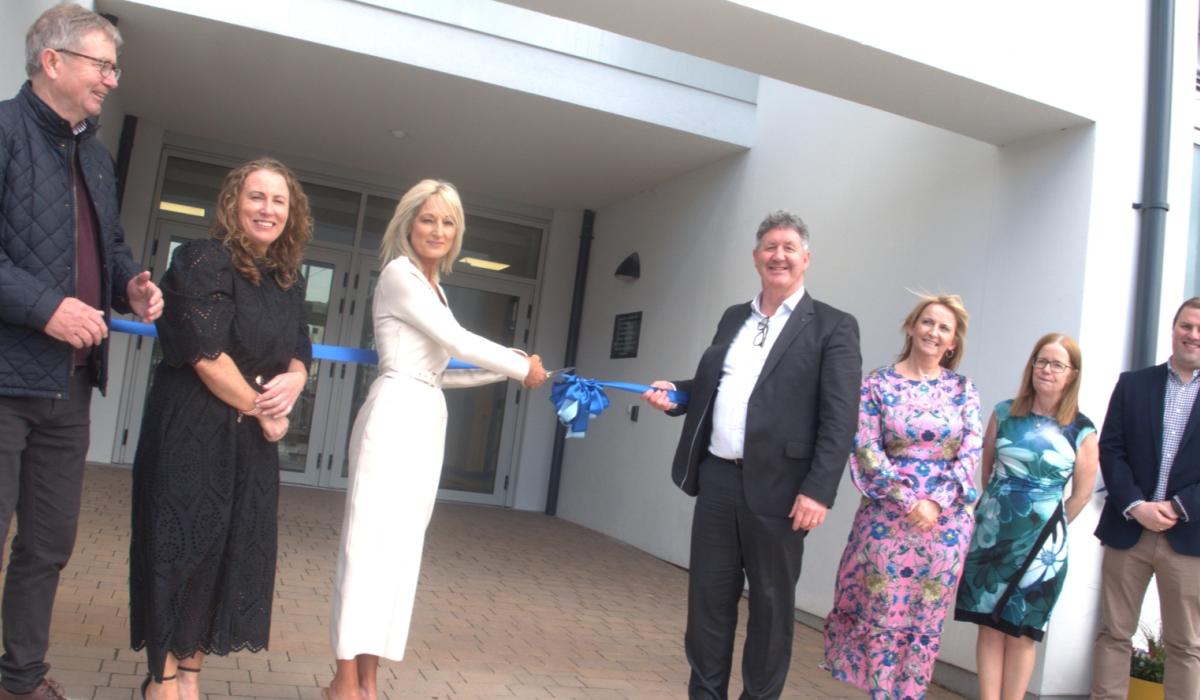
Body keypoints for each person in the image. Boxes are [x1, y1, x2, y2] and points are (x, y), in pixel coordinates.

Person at [326, 179, 547, 700]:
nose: (438, 230)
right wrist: (519, 367)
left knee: (401, 555)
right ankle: (343, 681)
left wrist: (508, 371)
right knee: (365, 549)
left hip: (425, 413)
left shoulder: (434, 287)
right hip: (392, 417)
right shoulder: (400, 274)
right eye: (428, 219)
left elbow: (440, 369)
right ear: (408, 222)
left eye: (448, 222)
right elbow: (457, 341)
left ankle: (370, 680)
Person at [0, 6, 163, 699]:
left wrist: (131, 286)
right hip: (5, 379)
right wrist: (47, 310)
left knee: (46, 547)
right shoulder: (2, 132)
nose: (111, 80)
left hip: (68, 388)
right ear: (53, 61)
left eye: (113, 68)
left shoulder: (94, 155)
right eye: (102, 65)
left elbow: (111, 247)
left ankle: (20, 676)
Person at [641, 210, 862, 700]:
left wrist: (818, 491)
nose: (778, 255)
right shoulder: (734, 317)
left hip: (784, 494)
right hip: (718, 482)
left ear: (806, 258)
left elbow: (840, 419)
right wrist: (675, 392)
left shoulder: (833, 327)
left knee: (770, 610)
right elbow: (716, 387)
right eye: (769, 247)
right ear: (756, 257)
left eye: (788, 247)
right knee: (707, 605)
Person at [129, 158, 312, 700]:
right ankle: (160, 679)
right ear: (234, 203)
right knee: (180, 550)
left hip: (248, 444)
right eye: (256, 197)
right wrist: (266, 409)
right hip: (193, 432)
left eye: (279, 201)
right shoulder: (201, 260)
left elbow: (300, 350)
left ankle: (191, 677)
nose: (268, 209)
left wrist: (297, 383)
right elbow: (208, 357)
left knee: (227, 553)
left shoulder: (286, 278)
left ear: (291, 213)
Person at [823, 293, 981, 699]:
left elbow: (971, 454)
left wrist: (936, 502)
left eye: (944, 328)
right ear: (911, 327)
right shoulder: (877, 383)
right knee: (882, 613)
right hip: (888, 519)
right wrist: (909, 500)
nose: (934, 332)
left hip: (944, 526)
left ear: (953, 343)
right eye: (927, 322)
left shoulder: (964, 390)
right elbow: (866, 448)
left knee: (924, 619)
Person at [953, 333, 1097, 700]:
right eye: (1041, 361)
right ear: (1031, 365)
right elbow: (986, 473)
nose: (1047, 370)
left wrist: (1050, 527)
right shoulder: (1004, 413)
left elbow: (1081, 494)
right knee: (988, 627)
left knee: (1021, 631)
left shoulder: (1082, 429)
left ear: (1072, 374)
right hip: (992, 535)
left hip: (1043, 546)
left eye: (1057, 364)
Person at [1091, 297, 1200, 700]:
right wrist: (1137, 505)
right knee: (1114, 633)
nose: (1193, 335)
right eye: (1186, 326)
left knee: (1186, 645)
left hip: (1189, 537)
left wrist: (1176, 507)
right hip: (1129, 528)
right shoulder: (1133, 383)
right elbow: (1112, 449)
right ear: (1173, 330)